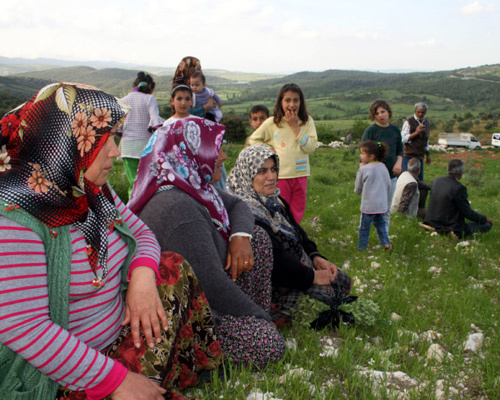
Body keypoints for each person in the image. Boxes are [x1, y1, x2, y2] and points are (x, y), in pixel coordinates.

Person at [0, 83, 222, 400]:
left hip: (119, 332)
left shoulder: (88, 189)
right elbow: (25, 327)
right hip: (66, 372)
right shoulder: (14, 218)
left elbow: (143, 234)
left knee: (170, 265)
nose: (116, 152)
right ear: (67, 143)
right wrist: (117, 381)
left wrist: (142, 278)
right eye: (105, 141)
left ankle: (178, 366)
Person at [128, 117, 285, 368]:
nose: (223, 157)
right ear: (190, 153)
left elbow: (237, 204)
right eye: (215, 149)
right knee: (267, 344)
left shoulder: (193, 186)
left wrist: (240, 237)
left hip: (210, 293)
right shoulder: (178, 207)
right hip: (194, 315)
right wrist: (260, 317)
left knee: (258, 239)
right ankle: (201, 360)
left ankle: (253, 318)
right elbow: (211, 286)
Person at [228, 146, 352, 326]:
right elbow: (275, 262)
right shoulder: (245, 211)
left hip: (298, 268)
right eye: (262, 171)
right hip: (277, 283)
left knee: (343, 281)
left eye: (273, 169)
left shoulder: (276, 200)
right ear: (247, 174)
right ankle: (277, 315)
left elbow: (299, 233)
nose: (271, 177)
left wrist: (315, 257)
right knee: (329, 301)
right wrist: (311, 277)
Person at [248, 83, 318, 224]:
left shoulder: (306, 121)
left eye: (295, 100)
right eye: (287, 100)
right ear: (280, 102)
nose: (291, 104)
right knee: (280, 208)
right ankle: (282, 235)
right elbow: (253, 139)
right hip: (281, 175)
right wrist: (267, 149)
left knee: (297, 210)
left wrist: (294, 126)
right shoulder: (273, 122)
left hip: (300, 174)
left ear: (301, 102)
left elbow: (310, 147)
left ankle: (295, 234)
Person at [361, 99, 404, 235]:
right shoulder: (371, 131)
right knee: (370, 209)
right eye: (377, 113)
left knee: (386, 208)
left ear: (388, 113)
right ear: (373, 116)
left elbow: (400, 151)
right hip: (374, 177)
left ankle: (383, 238)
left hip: (391, 176)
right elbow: (363, 153)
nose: (380, 115)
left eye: (383, 111)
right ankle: (364, 236)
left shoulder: (395, 130)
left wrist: (398, 163)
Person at [119, 71, 164, 198]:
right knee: (147, 183)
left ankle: (132, 211)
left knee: (133, 184)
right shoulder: (150, 99)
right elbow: (155, 120)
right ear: (150, 87)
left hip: (127, 148)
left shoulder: (123, 101)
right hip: (145, 147)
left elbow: (117, 125)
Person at [424, 158, 493, 237]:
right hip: (448, 227)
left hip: (431, 222)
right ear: (460, 172)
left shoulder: (436, 181)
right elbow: (468, 213)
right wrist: (485, 218)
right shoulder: (459, 188)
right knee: (486, 225)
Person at [354, 140, 391, 251]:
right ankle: (386, 243)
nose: (360, 155)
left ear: (371, 156)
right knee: (381, 225)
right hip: (381, 205)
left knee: (364, 229)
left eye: (362, 153)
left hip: (369, 206)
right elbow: (389, 184)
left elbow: (357, 189)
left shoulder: (364, 169)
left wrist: (360, 168)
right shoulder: (383, 167)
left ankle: (362, 248)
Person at [401, 102, 431, 181]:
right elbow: (403, 139)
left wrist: (428, 154)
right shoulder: (408, 122)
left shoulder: (426, 123)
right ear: (415, 111)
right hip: (408, 156)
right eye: (418, 112)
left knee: (419, 181)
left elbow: (426, 140)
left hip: (419, 157)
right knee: (407, 180)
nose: (420, 114)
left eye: (422, 112)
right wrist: (416, 132)